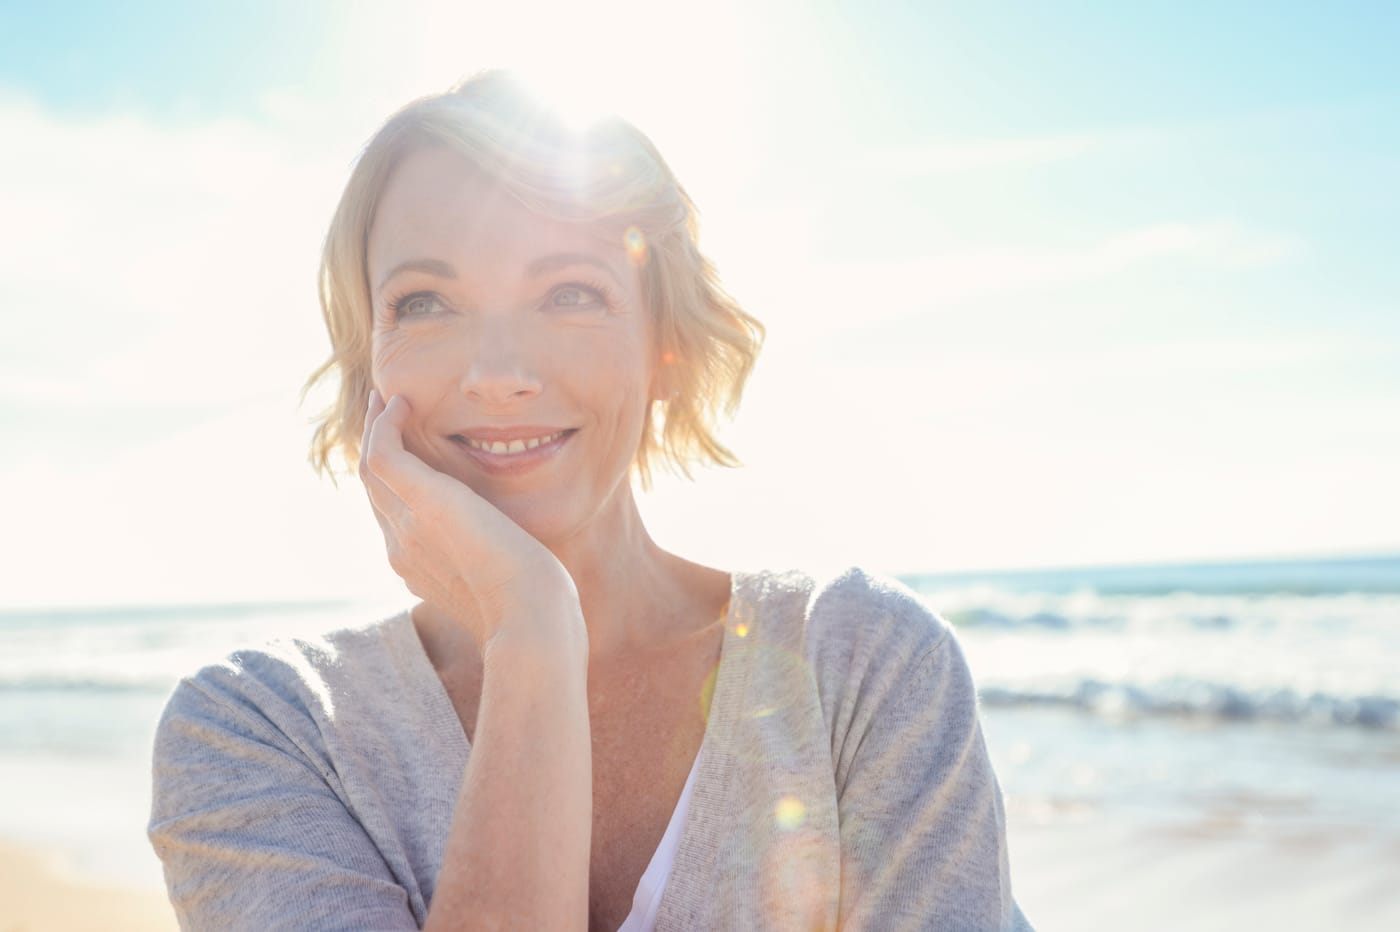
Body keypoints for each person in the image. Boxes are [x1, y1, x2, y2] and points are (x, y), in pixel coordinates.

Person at [147, 70, 1033, 931]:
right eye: (424, 302)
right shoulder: (258, 730)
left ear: (665, 345)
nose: (498, 375)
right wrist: (531, 630)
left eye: (570, 293)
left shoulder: (860, 663)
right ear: (368, 358)